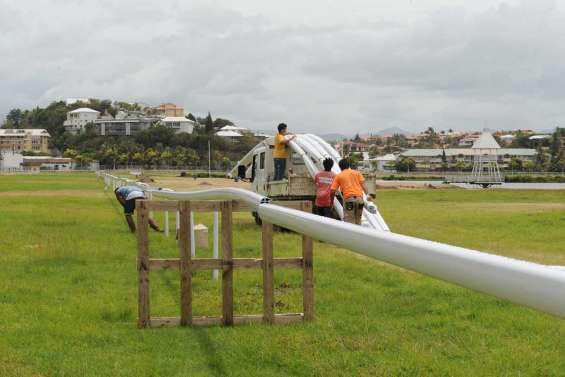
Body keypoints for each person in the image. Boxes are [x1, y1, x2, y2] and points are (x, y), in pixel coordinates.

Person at [330, 158, 370, 225]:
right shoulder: (357, 173)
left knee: (350, 222)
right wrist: (368, 196)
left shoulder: (339, 176)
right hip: (360, 200)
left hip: (349, 200)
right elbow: (364, 186)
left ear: (340, 167)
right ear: (348, 166)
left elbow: (332, 191)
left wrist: (331, 202)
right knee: (358, 220)